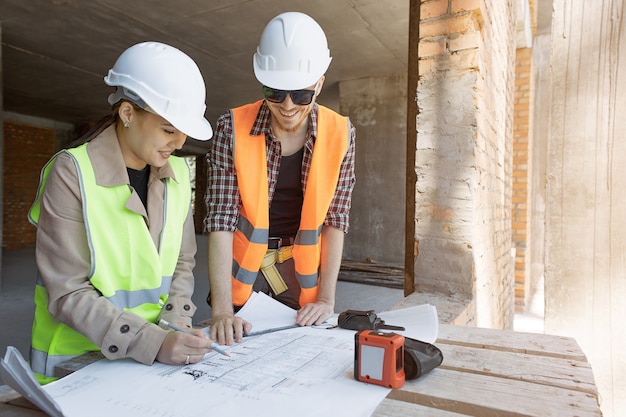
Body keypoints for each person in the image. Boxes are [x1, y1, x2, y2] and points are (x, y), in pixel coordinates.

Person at [28, 41, 217, 384]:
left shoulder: (175, 176)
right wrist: (155, 342)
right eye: (168, 129)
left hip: (150, 363)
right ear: (128, 114)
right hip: (76, 364)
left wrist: (178, 324)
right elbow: (68, 291)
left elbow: (181, 264)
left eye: (182, 131)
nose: (177, 143)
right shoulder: (73, 173)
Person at [205, 12, 356, 345]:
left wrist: (327, 299)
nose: (287, 106)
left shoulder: (341, 134)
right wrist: (221, 310)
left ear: (318, 83)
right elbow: (221, 219)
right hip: (244, 274)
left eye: (300, 95)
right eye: (275, 92)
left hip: (302, 277)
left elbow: (335, 220)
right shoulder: (231, 127)